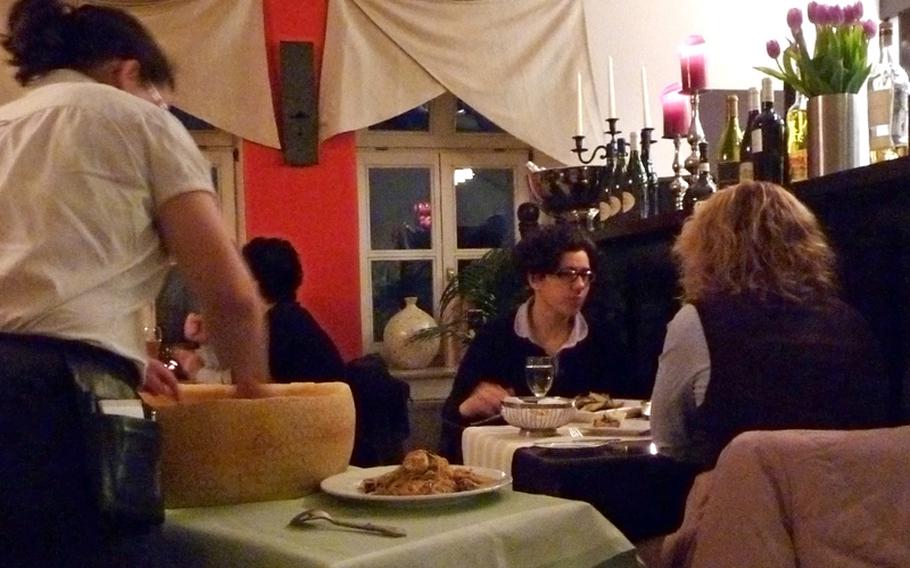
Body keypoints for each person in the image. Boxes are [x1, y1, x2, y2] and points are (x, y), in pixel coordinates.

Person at [0, 0, 269, 564]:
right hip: (56, 409)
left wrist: (117, 351)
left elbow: (33, 281)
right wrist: (252, 397)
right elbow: (231, 297)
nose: (161, 104)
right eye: (157, 90)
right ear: (127, 71)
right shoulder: (139, 121)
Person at [650, 181, 891, 468]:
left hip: (741, 504)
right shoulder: (850, 322)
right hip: (842, 504)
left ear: (706, 247)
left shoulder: (698, 321)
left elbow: (668, 440)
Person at [439, 223, 631, 461]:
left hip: (586, 464)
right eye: (568, 274)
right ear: (535, 279)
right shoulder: (497, 336)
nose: (580, 286)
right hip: (514, 466)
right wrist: (468, 407)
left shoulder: (602, 338)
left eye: (585, 275)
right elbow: (450, 421)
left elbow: (629, 408)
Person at [242, 237, 345, 382]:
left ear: (254, 283)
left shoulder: (280, 324)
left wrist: (200, 372)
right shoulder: (290, 317)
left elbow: (257, 388)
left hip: (316, 404)